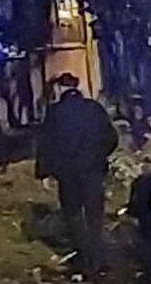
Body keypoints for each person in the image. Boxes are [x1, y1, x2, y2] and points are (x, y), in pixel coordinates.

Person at [36, 73, 118, 272]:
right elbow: (111, 138)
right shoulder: (94, 109)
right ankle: (98, 257)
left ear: (60, 88)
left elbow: (46, 144)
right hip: (93, 171)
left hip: (68, 174)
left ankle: (83, 256)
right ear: (77, 86)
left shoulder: (55, 113)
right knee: (94, 214)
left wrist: (44, 172)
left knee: (73, 214)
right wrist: (100, 156)